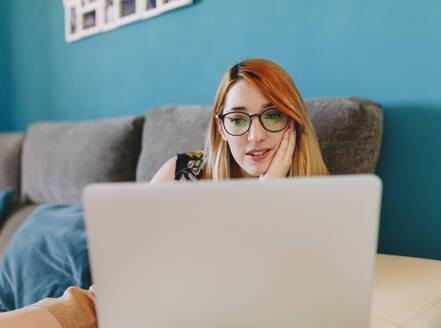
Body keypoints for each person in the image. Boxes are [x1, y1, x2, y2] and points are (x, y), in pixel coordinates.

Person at [0, 58, 329, 328]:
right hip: (85, 264)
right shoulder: (183, 174)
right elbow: (123, 273)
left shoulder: (323, 195)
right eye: (238, 119)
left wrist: (268, 195)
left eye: (271, 116)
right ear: (221, 128)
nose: (255, 135)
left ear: (292, 121)